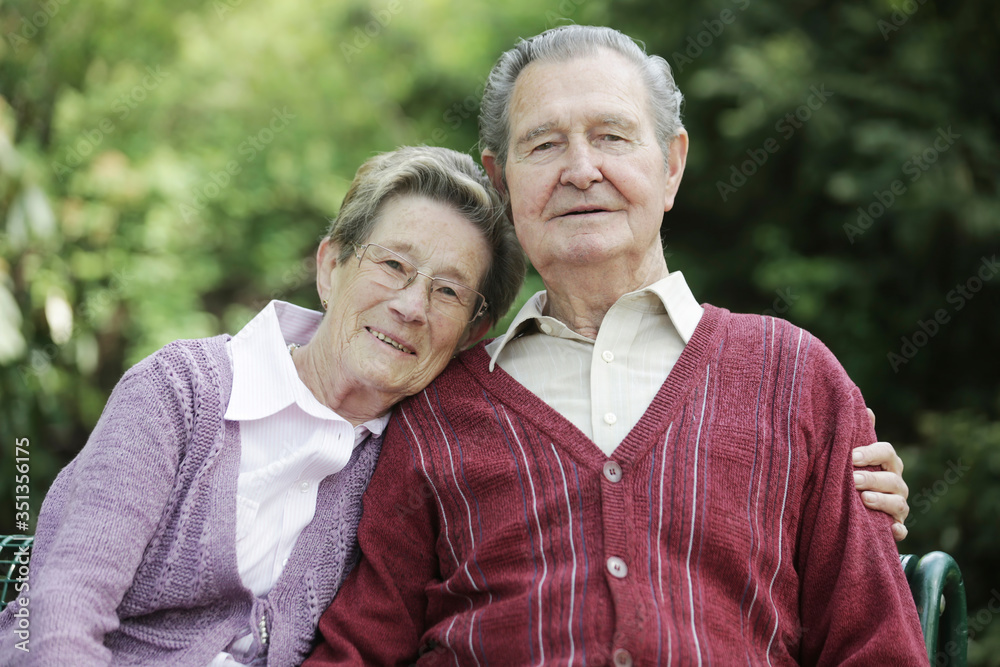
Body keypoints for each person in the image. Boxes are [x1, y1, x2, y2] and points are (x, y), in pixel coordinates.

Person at [307, 26, 925, 665]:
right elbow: (362, 649)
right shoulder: (436, 410)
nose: (580, 171)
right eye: (544, 145)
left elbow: (877, 647)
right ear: (503, 182)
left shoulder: (795, 377)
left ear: (671, 165)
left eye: (612, 137)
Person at [0, 146, 525, 666]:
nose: (411, 306)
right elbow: (60, 616)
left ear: (471, 334)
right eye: (392, 264)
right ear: (331, 267)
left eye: (449, 292)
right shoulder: (178, 393)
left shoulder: (415, 468)